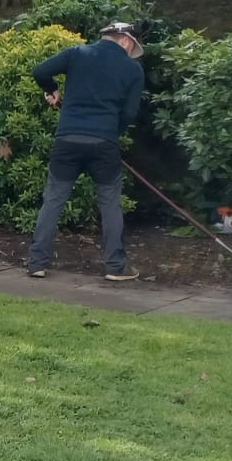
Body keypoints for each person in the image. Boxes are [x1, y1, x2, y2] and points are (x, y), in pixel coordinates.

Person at [25, 21, 146, 281]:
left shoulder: (77, 54)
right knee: (110, 203)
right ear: (127, 41)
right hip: (104, 143)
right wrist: (111, 133)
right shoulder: (133, 69)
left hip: (67, 139)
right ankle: (116, 267)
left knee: (54, 200)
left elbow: (40, 71)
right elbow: (129, 113)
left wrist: (52, 90)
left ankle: (37, 263)